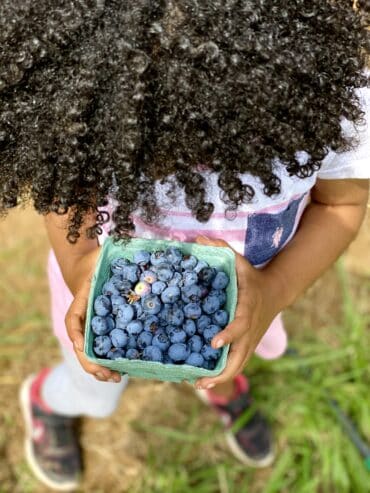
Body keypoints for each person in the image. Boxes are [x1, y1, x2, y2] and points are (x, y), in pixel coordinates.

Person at [0, 0, 369, 490]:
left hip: (249, 294)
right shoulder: (81, 95)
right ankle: (50, 401)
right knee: (96, 392)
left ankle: (216, 385)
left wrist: (273, 292)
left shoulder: (338, 96)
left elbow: (340, 207)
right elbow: (63, 188)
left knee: (221, 354)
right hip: (93, 290)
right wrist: (79, 262)